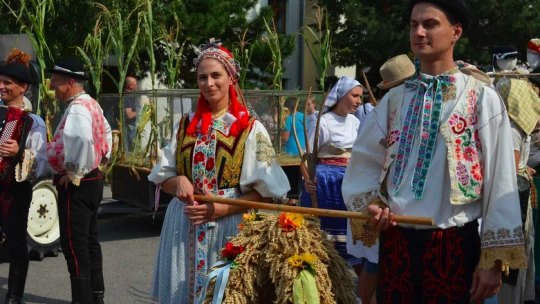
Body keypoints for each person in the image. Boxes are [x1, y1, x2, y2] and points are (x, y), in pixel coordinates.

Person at [342, 1, 526, 303]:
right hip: (397, 243)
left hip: (452, 244)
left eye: (430, 24)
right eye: (414, 24)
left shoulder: (482, 98)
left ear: (456, 31)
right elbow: (363, 163)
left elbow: (500, 178)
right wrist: (373, 204)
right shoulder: (394, 100)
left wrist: (492, 263)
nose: (419, 32)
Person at [148, 39, 290, 304]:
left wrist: (223, 209)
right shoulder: (185, 126)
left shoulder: (251, 128)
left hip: (229, 227)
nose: (209, 83)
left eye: (216, 75)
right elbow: (162, 177)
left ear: (231, 78)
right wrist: (177, 180)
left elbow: (270, 195)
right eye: (203, 77)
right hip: (183, 228)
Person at [346, 54, 416, 304]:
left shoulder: (409, 108)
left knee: (382, 264)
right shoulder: (384, 111)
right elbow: (365, 161)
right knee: (376, 262)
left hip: (392, 200)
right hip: (378, 200)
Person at [47, 58, 112, 304]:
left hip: (79, 184)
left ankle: (83, 300)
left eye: (55, 80)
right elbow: (106, 133)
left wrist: (74, 172)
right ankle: (96, 296)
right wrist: (99, 160)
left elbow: (83, 139)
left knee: (74, 245)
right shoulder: (90, 103)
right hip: (92, 179)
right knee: (89, 240)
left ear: (70, 82)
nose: (52, 84)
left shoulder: (77, 108)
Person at [0, 50, 47, 304]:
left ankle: (14, 296)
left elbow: (42, 161)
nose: (1, 86)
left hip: (14, 189)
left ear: (23, 87)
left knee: (16, 242)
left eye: (7, 83)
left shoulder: (33, 122)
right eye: (0, 81)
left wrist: (20, 153)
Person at [302, 76, 363, 265]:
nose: (359, 101)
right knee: (322, 237)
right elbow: (305, 157)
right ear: (342, 95)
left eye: (361, 97)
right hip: (325, 184)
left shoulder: (355, 122)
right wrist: (307, 180)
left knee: (351, 235)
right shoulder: (323, 121)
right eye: (355, 96)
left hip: (350, 184)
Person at [495, 78, 539, 303]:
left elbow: (509, 170)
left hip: (513, 195)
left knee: (513, 257)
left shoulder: (511, 128)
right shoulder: (517, 126)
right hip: (517, 192)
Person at [123, 76, 138, 151]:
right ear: (130, 86)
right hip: (129, 128)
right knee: (132, 149)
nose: (137, 86)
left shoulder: (131, 96)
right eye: (136, 84)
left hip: (132, 126)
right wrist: (140, 112)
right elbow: (129, 115)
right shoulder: (126, 97)